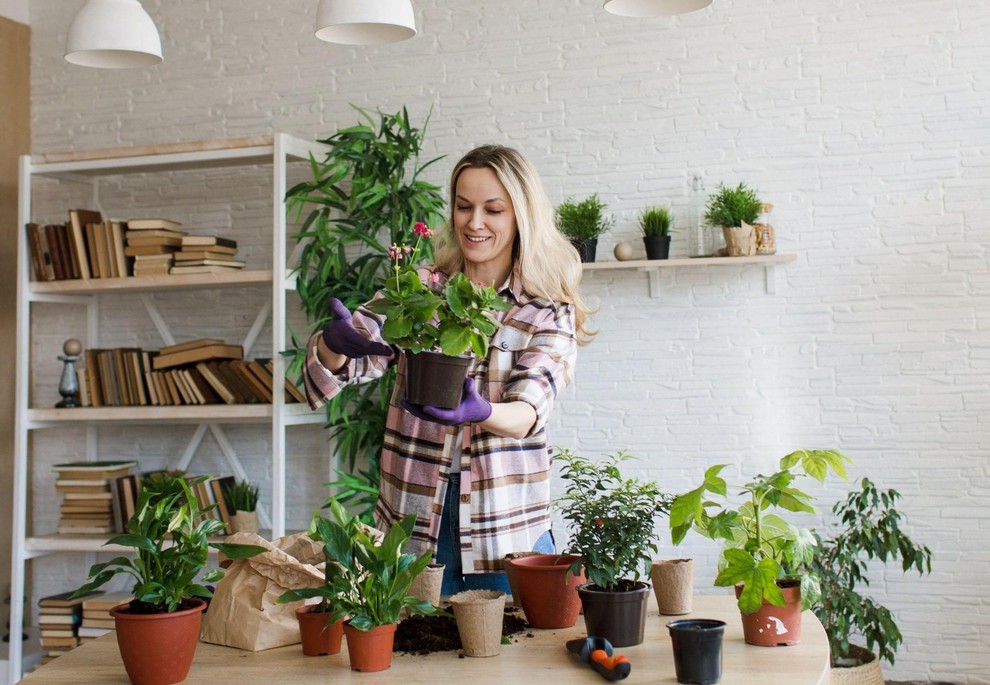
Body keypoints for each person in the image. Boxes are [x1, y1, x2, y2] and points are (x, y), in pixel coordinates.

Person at [303, 145, 594, 595]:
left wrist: (482, 413)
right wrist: (333, 345)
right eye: (463, 206)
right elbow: (342, 368)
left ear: (521, 216)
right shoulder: (420, 288)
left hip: (505, 532)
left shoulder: (545, 311)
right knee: (410, 656)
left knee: (508, 660)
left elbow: (529, 410)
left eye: (492, 209)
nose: (474, 223)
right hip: (415, 523)